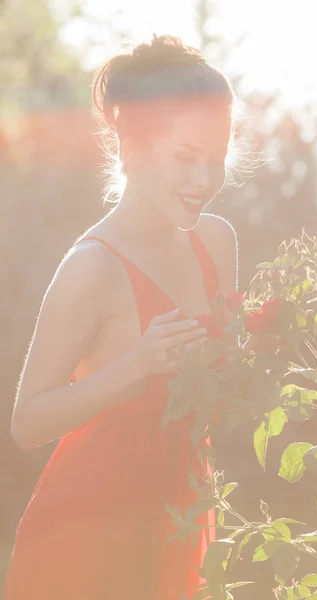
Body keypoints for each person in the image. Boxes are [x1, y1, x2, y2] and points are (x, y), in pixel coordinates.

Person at [4, 34, 238, 599]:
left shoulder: (218, 243)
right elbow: (26, 424)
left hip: (181, 515)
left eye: (216, 159)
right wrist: (135, 365)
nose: (205, 180)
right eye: (186, 159)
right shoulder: (91, 267)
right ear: (133, 149)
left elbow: (227, 383)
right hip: (88, 532)